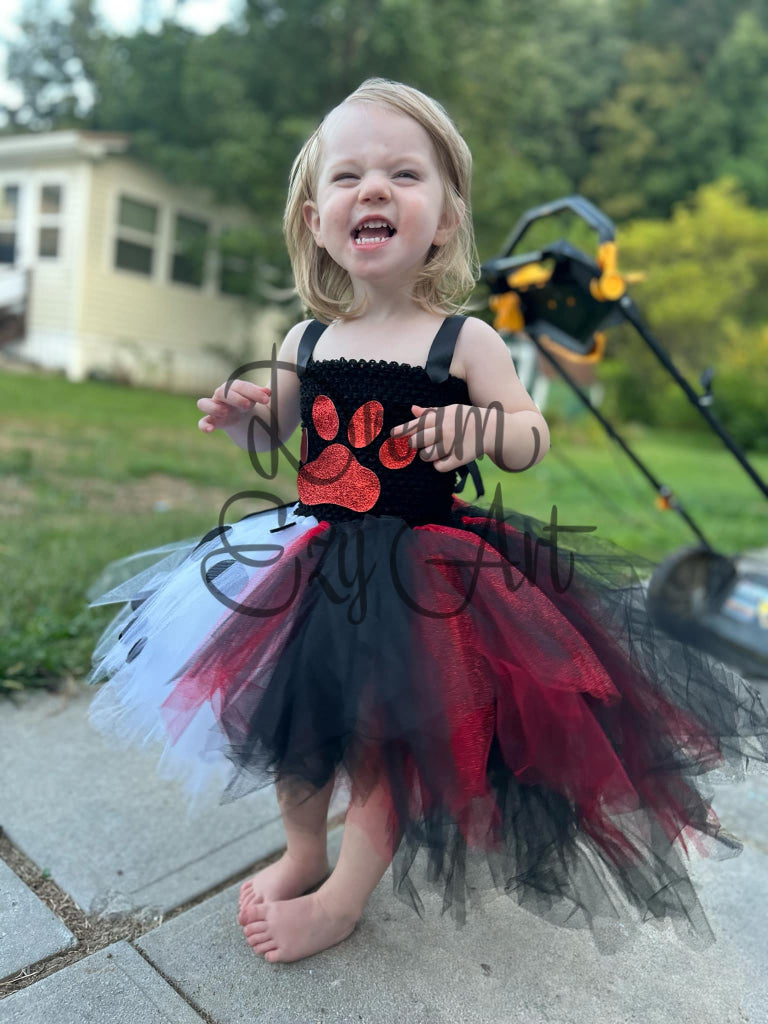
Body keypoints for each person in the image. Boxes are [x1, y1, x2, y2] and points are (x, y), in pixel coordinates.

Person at [87, 77, 768, 966]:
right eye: (348, 177)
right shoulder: (307, 340)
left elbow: (530, 434)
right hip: (313, 559)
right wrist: (247, 415)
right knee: (302, 727)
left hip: (425, 577)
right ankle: (302, 849)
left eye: (404, 174)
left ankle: (344, 896)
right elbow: (284, 430)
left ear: (444, 220)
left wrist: (480, 425)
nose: (372, 190)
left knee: (383, 741)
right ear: (314, 217)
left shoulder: (465, 341)